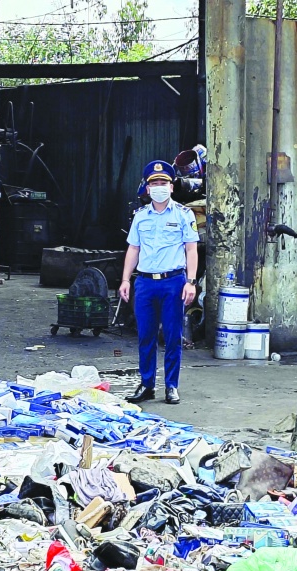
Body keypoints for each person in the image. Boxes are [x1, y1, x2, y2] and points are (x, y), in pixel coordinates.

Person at [118, 160, 199, 405]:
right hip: (145, 283)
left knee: (173, 336)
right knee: (146, 336)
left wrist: (191, 282)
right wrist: (125, 279)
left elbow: (191, 249)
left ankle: (171, 386)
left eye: (164, 182)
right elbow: (133, 249)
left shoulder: (184, 214)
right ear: (148, 188)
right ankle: (147, 384)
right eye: (154, 183)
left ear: (171, 187)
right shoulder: (141, 216)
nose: (159, 187)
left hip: (173, 283)